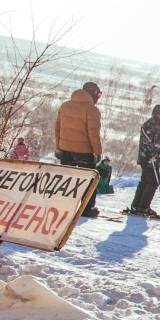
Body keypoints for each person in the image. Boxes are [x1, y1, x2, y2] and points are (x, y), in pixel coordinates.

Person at [54, 81, 103, 218]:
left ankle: (62, 205)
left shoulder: (65, 106)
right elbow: (93, 133)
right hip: (84, 151)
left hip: (65, 149)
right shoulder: (92, 110)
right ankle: (87, 208)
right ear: (93, 94)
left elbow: (57, 128)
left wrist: (58, 147)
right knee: (88, 180)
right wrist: (97, 152)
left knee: (66, 178)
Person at [127, 105, 160, 218]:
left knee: (145, 181)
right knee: (153, 182)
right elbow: (146, 142)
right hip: (148, 159)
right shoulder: (149, 125)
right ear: (156, 114)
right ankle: (143, 206)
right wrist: (153, 155)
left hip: (156, 159)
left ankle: (136, 205)